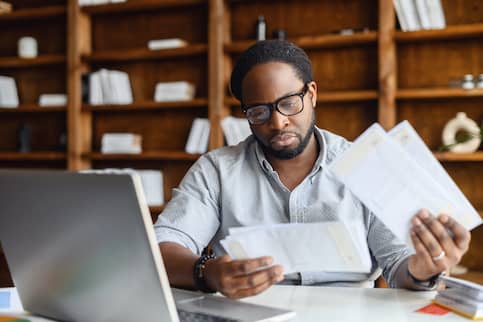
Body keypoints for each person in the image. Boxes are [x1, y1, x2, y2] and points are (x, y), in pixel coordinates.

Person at [154, 40, 471, 299]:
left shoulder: (365, 165)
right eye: (259, 112)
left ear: (313, 94)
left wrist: (424, 267)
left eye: (290, 103)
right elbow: (161, 249)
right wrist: (207, 272)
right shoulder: (217, 170)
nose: (278, 123)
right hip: (249, 313)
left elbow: (400, 267)